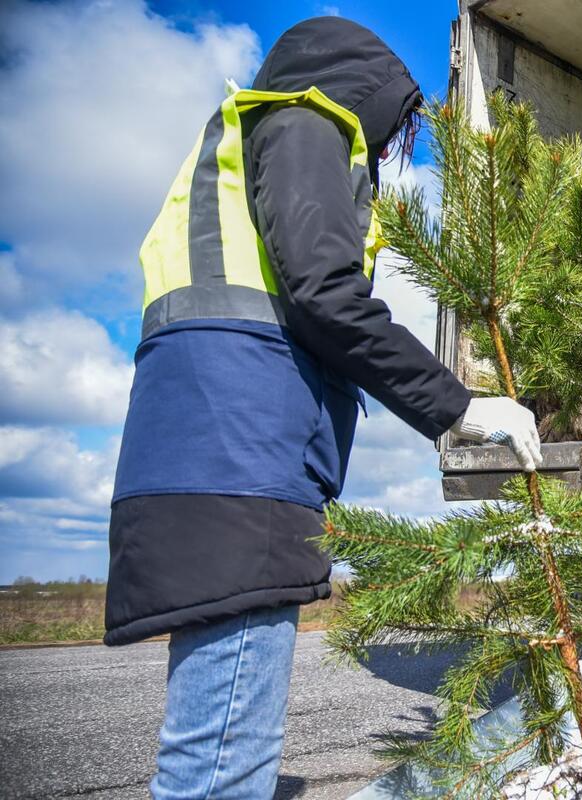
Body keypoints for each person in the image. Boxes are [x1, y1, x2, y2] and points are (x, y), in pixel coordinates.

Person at [104, 17, 541, 798]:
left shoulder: (249, 144)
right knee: (221, 764)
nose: (388, 148)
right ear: (363, 92)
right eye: (396, 126)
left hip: (206, 458)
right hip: (237, 469)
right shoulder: (306, 122)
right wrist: (459, 406)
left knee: (209, 742)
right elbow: (325, 295)